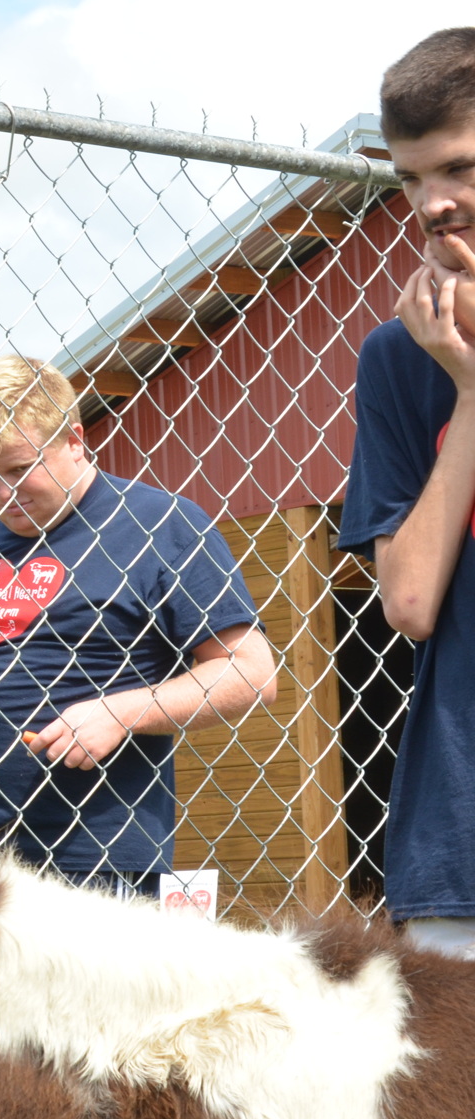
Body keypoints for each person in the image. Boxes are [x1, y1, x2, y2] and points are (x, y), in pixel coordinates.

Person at [0, 355, 277, 895]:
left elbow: (250, 673)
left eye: (18, 468)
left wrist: (120, 713)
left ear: (75, 440)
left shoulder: (161, 525)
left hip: (99, 861)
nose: (1, 492)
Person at [337, 28, 475, 957]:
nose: (432, 203)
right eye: (408, 179)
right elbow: (412, 600)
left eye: (459, 167)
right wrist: (468, 389)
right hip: (459, 837)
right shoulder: (399, 356)